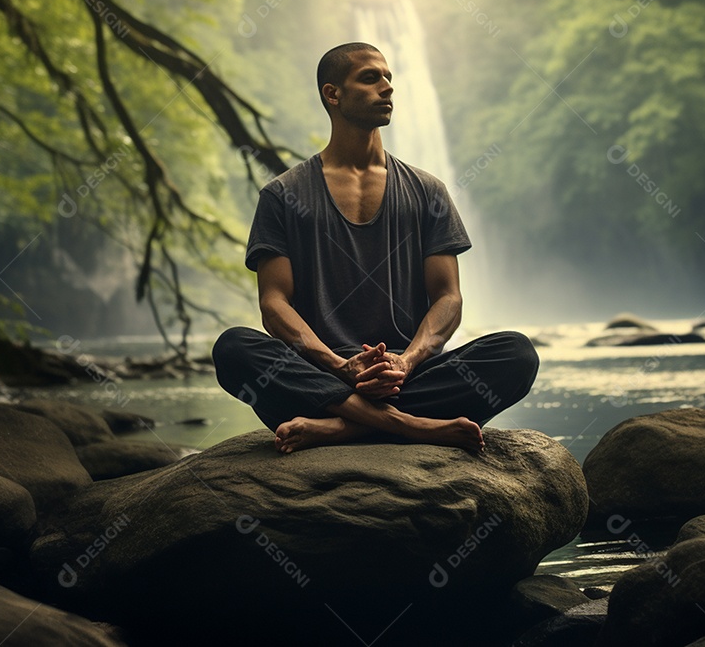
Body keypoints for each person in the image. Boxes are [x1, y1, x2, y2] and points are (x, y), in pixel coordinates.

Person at [212, 42, 538, 454]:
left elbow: (448, 297)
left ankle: (340, 428)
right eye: (370, 78)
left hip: (407, 377)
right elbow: (274, 303)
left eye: (388, 78)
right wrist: (341, 367)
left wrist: (407, 361)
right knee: (234, 348)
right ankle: (408, 425)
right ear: (333, 94)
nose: (387, 87)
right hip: (321, 375)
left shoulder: (427, 190)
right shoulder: (282, 194)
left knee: (516, 354)